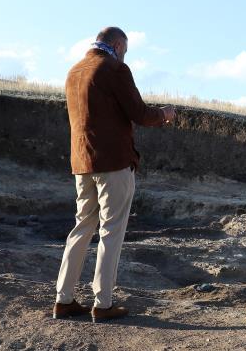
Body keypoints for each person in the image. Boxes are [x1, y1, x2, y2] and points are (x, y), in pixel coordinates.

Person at [53, 26, 176, 323]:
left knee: (81, 229)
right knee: (111, 231)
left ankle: (63, 299)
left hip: (82, 163)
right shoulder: (114, 69)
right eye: (125, 50)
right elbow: (139, 113)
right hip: (113, 163)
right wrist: (165, 115)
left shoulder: (74, 71)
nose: (124, 55)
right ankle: (103, 303)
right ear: (118, 45)